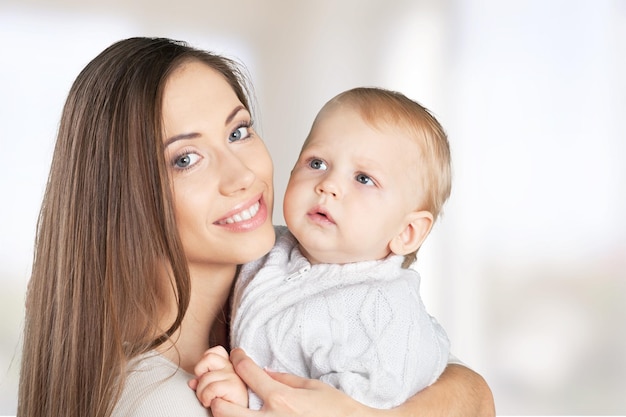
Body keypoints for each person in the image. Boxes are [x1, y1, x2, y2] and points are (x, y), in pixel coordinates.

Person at [17, 37, 495, 417]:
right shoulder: (161, 402)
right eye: (186, 159)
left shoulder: (300, 273)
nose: (243, 175)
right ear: (120, 200)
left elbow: (468, 389)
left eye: (238, 131)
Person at [193, 87, 455, 410]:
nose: (328, 184)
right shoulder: (269, 249)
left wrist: (249, 397)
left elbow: (345, 408)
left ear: (407, 231)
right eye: (316, 162)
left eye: (363, 179)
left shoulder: (385, 314)